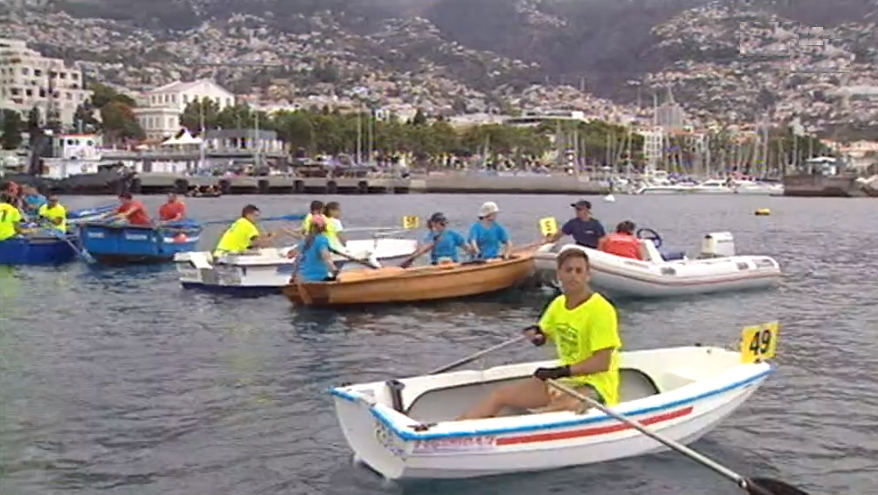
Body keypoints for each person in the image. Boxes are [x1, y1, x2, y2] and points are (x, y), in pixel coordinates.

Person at [456, 248, 621, 420]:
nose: (573, 276)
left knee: (554, 411)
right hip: (563, 381)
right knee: (500, 395)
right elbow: (543, 333)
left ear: (588, 275)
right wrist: (536, 335)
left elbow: (601, 363)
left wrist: (557, 372)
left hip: (595, 385)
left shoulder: (601, 310)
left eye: (579, 271)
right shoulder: (558, 304)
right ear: (559, 274)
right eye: (568, 270)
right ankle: (453, 429)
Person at [402, 212, 471, 267]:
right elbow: (423, 250)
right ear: (433, 224)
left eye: (444, 223)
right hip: (437, 264)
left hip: (453, 263)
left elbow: (467, 248)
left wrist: (476, 252)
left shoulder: (453, 234)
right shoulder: (430, 236)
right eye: (440, 223)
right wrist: (411, 259)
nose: (443, 225)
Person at [293, 213, 338, 282]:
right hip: (319, 278)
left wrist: (293, 276)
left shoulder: (304, 240)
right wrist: (335, 273)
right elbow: (327, 259)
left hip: (302, 278)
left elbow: (297, 261)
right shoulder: (322, 240)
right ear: (324, 227)